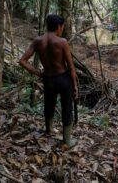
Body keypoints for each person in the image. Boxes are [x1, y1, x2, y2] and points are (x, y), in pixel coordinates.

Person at [19, 14, 78, 148]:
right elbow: (71, 66)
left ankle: (48, 130)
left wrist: (39, 73)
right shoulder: (62, 42)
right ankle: (67, 140)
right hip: (63, 78)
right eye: (62, 27)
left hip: (48, 78)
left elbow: (22, 61)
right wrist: (74, 86)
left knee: (49, 104)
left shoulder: (38, 41)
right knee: (66, 107)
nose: (62, 29)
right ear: (58, 26)